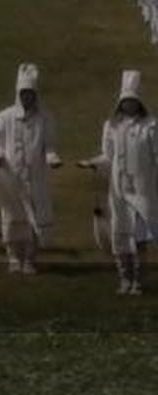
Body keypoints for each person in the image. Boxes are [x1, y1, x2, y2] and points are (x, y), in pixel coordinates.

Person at [79, 70, 158, 295]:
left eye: (133, 100)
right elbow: (108, 156)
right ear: (120, 102)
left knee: (140, 237)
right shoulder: (112, 126)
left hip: (142, 190)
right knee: (120, 234)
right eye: (125, 100)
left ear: (139, 101)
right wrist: (91, 162)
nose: (129, 104)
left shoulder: (151, 125)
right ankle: (125, 278)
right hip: (119, 191)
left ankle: (139, 281)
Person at [0, 63, 62, 276]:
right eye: (23, 92)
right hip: (10, 176)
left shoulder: (45, 118)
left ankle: (29, 258)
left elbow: (49, 146)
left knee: (33, 217)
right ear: (18, 93)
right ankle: (13, 257)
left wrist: (52, 159)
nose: (27, 96)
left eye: (30, 93)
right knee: (12, 217)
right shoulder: (5, 116)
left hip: (36, 177)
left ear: (35, 94)